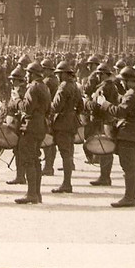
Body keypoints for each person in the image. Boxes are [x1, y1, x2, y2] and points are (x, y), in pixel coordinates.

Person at [98, 66, 135, 207]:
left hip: (128, 134)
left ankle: (129, 198)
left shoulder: (131, 94)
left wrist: (105, 104)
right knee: (131, 166)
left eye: (122, 81)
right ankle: (130, 197)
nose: (121, 83)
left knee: (128, 167)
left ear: (127, 81)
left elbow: (120, 112)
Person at [14, 61, 51, 204]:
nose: (26, 76)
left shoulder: (33, 88)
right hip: (40, 125)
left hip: (30, 126)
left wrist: (17, 99)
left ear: (33, 74)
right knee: (36, 159)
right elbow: (48, 109)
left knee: (29, 160)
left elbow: (26, 108)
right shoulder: (44, 87)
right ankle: (36, 193)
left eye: (28, 73)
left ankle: (31, 194)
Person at [49, 61, 82, 193]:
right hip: (72, 122)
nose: (57, 76)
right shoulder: (75, 86)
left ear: (64, 74)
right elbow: (81, 106)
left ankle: (66, 184)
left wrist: (47, 106)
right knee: (68, 152)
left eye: (59, 74)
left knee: (65, 154)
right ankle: (67, 183)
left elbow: (56, 107)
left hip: (62, 123)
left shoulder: (63, 86)